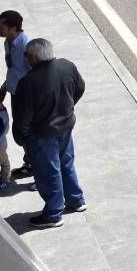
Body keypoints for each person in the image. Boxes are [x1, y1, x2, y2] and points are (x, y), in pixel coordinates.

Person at [13, 38, 86, 228]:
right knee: (66, 163)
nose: (26, 59)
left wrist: (21, 135)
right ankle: (76, 200)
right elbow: (80, 88)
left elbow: (23, 115)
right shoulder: (67, 66)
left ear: (35, 58)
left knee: (48, 171)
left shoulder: (28, 81)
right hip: (65, 126)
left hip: (41, 133)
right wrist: (67, 109)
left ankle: (53, 213)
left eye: (27, 55)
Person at [0, 9, 33, 180]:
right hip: (14, 92)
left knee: (27, 131)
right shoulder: (8, 43)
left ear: (13, 28)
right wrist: (5, 86)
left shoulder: (27, 46)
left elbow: (33, 73)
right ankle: (30, 162)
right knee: (20, 131)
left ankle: (35, 166)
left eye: (1, 27)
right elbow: (13, 68)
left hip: (26, 96)